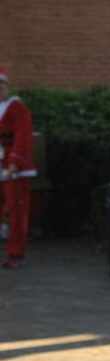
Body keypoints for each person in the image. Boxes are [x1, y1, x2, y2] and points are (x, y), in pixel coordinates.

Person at [0, 67, 36, 270]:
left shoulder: (17, 108)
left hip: (14, 167)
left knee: (16, 211)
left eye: (0, 85)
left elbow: (23, 136)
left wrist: (15, 161)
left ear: (6, 86)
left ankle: (16, 253)